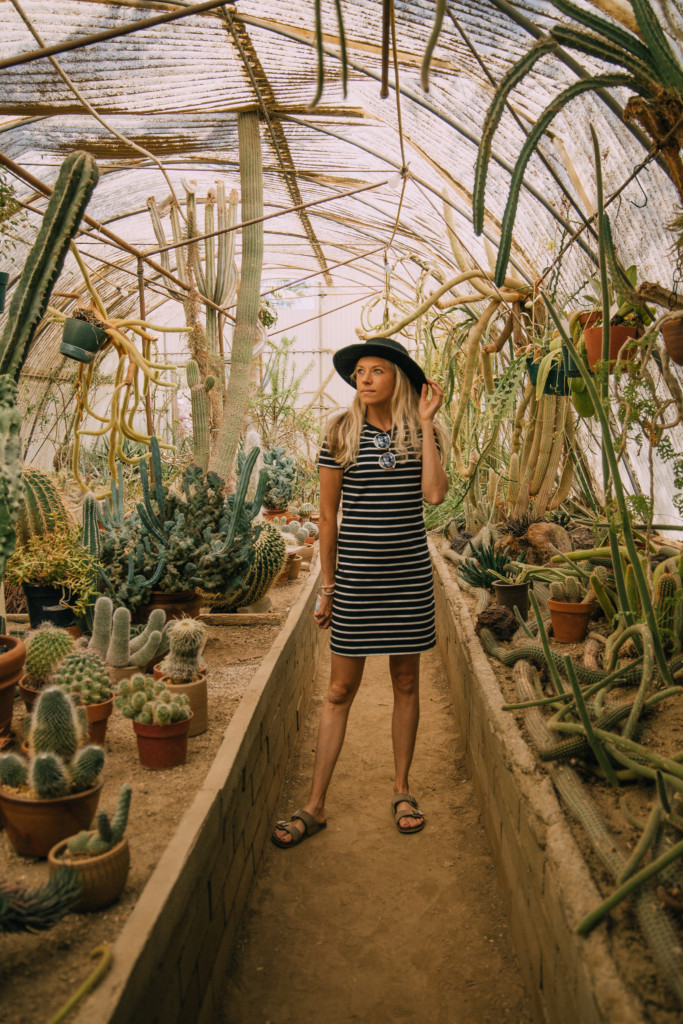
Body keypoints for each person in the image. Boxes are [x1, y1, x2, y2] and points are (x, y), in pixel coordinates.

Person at [271, 336, 448, 848]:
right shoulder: (340, 432)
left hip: (409, 578)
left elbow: (434, 496)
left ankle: (402, 789)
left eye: (377, 370)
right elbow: (327, 517)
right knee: (338, 691)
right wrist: (327, 586)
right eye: (360, 372)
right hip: (357, 580)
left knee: (407, 684)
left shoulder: (418, 433)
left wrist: (429, 422)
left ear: (398, 380)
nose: (365, 378)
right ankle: (315, 804)